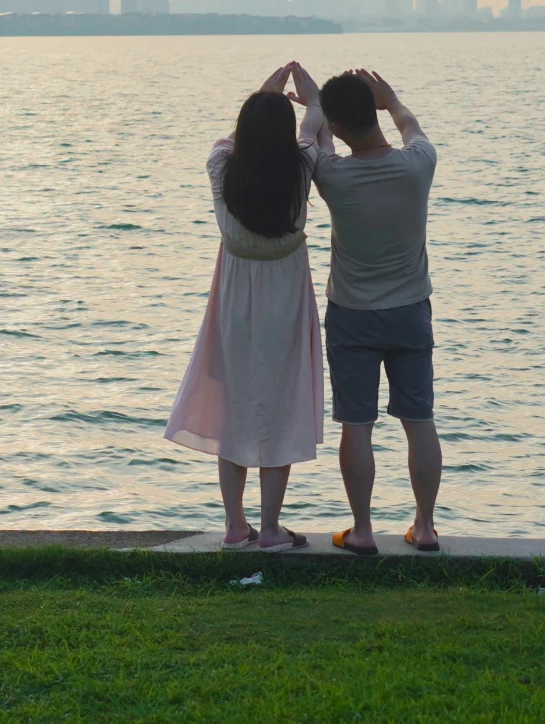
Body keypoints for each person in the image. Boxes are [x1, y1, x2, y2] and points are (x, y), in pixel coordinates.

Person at [163, 61, 326, 551]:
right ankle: (271, 526)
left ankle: (235, 525)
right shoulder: (302, 167)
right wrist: (311, 100)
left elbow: (231, 142)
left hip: (235, 297)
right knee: (280, 402)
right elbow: (314, 129)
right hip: (285, 296)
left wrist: (262, 95)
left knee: (235, 405)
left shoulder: (221, 168)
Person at [300, 67, 444, 555]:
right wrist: (394, 100)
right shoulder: (418, 164)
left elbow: (319, 140)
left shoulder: (332, 176)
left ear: (339, 127)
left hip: (352, 314)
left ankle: (362, 530)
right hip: (410, 311)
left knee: (357, 425)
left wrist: (316, 104)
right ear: (375, 109)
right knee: (419, 420)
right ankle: (424, 527)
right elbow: (410, 125)